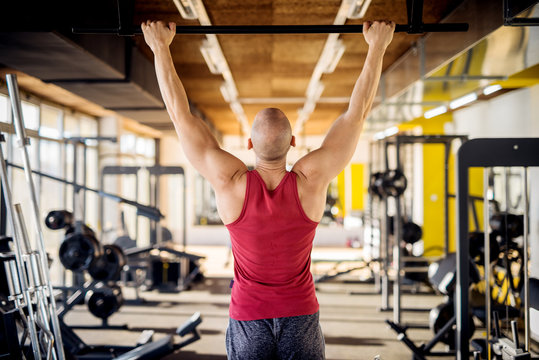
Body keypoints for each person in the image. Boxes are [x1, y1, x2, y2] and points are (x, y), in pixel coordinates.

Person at [142, 19, 395, 359]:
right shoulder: (310, 181)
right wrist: (377, 46)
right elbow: (356, 113)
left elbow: (179, 114)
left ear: (248, 144)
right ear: (293, 143)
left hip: (248, 317)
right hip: (300, 315)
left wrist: (160, 47)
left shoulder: (230, 182)